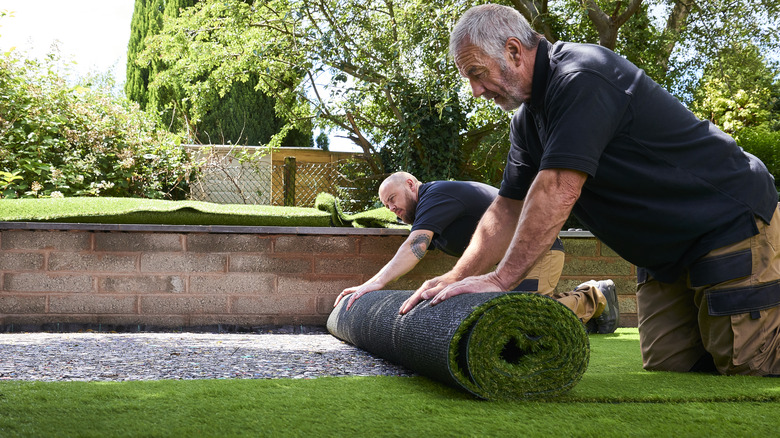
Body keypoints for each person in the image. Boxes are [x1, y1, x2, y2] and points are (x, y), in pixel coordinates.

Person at [402, 3, 780, 376]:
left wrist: (501, 280)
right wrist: (455, 278)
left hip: (727, 220)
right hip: (665, 255)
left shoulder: (582, 76)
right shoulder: (527, 121)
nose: (475, 91)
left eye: (477, 73)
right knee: (672, 363)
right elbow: (506, 209)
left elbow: (557, 188)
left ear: (514, 51)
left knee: (748, 363)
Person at [334, 171, 620, 334]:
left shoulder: (434, 195)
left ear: (411, 184)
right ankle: (586, 312)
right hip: (507, 266)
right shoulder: (433, 215)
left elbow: (414, 247)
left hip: (538, 251)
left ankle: (593, 297)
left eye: (392, 199)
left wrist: (374, 283)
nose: (392, 208)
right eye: (386, 205)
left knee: (524, 318)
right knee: (504, 321)